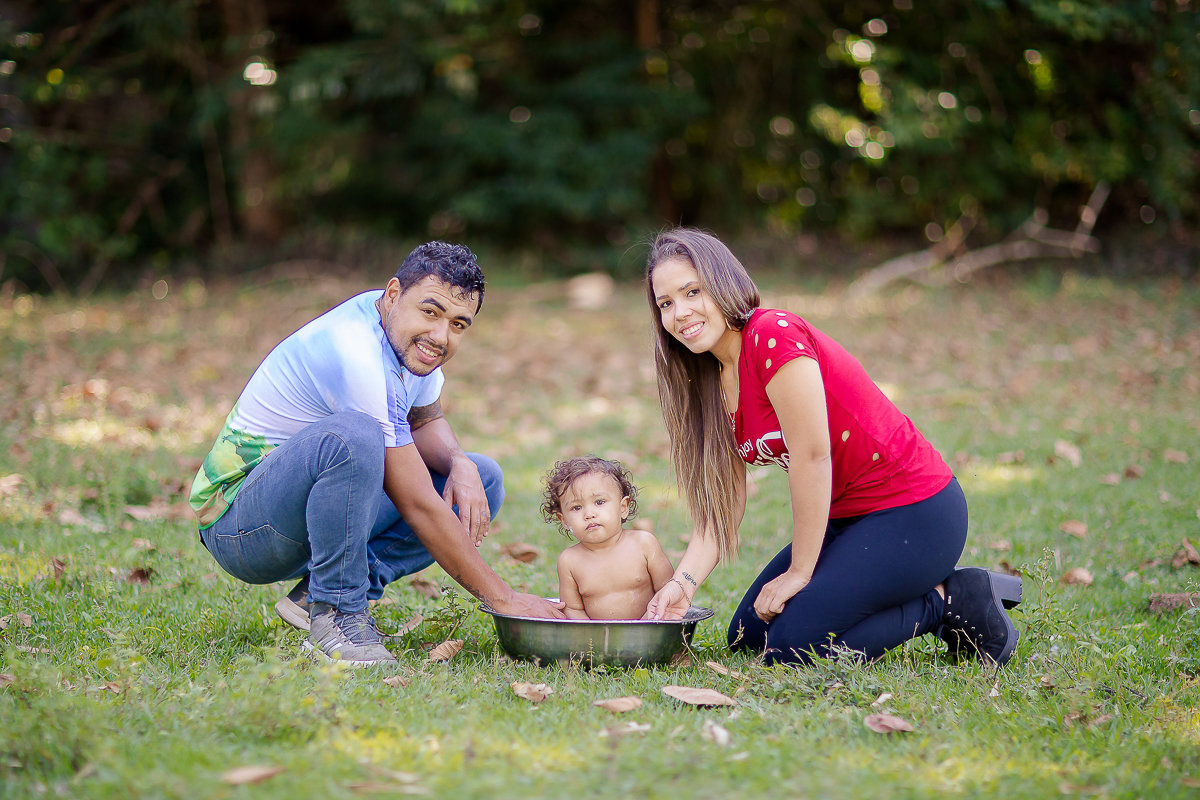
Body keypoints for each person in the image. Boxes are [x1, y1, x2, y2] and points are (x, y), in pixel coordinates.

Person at [641, 228, 1020, 666]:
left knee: (790, 648)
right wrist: (683, 585)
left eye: (692, 291)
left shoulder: (771, 335)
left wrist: (800, 573)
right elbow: (723, 509)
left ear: (723, 282)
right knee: (747, 637)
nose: (680, 312)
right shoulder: (711, 380)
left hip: (915, 512)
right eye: (666, 303)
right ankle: (888, 592)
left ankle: (951, 600)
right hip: (846, 522)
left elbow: (813, 456)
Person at [189, 241, 564, 667]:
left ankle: (315, 593)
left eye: (459, 324)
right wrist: (505, 598)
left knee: (482, 476)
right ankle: (337, 613)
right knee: (355, 438)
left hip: (295, 514)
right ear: (392, 294)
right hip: (239, 526)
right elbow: (418, 503)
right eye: (431, 312)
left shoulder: (407, 340)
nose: (441, 336)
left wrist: (459, 461)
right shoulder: (353, 348)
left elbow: (424, 419)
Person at [542, 456, 674, 620]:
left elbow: (668, 590)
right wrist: (593, 640)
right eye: (577, 507)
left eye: (599, 502)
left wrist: (645, 625)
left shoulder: (644, 544)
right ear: (563, 520)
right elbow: (573, 609)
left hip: (649, 630)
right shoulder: (569, 561)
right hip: (599, 640)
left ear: (623, 507)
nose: (589, 514)